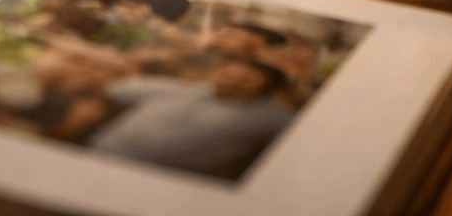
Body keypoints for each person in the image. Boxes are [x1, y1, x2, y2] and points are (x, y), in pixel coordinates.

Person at [85, 56, 295, 180]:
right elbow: (115, 88)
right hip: (96, 156)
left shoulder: (267, 114)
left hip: (160, 180)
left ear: (266, 87)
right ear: (214, 72)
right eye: (227, 75)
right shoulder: (181, 88)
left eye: (246, 79)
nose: (233, 82)